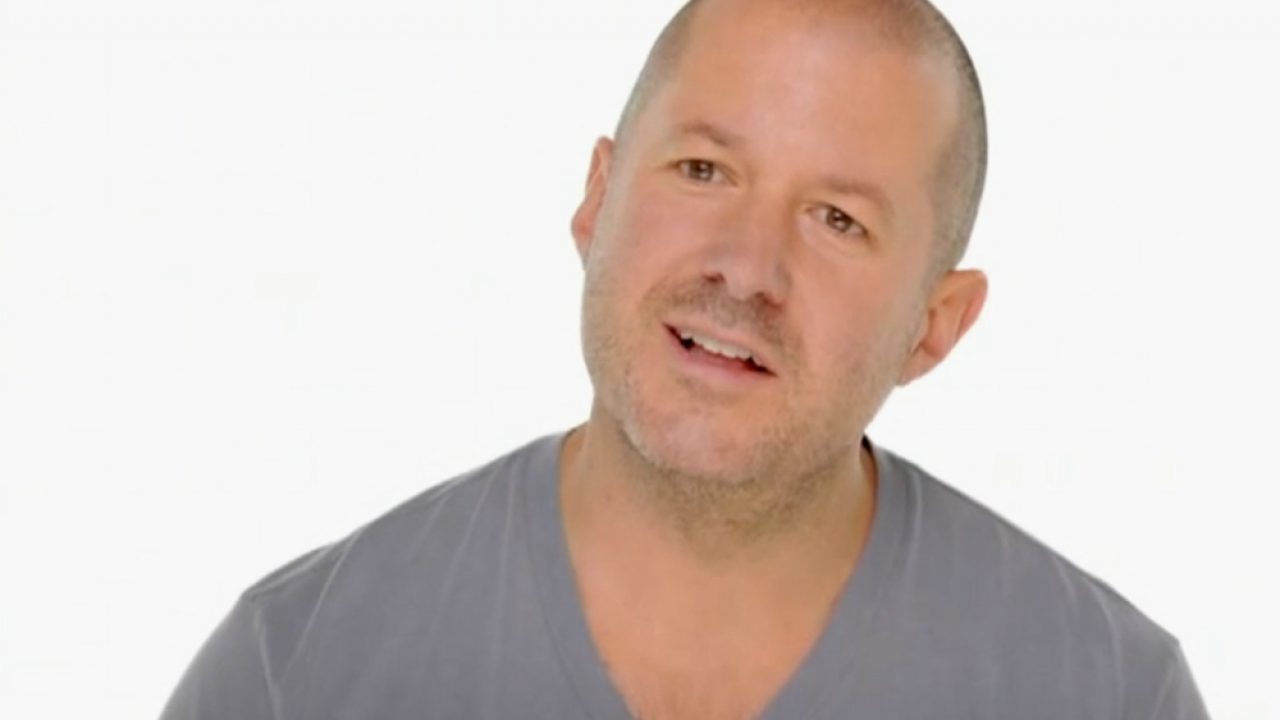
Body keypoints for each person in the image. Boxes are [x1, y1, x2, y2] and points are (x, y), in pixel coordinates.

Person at [160, 0, 1211, 718]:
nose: (746, 268)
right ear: (597, 199)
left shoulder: (1103, 694)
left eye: (838, 219)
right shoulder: (300, 668)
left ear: (935, 325)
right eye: (703, 169)